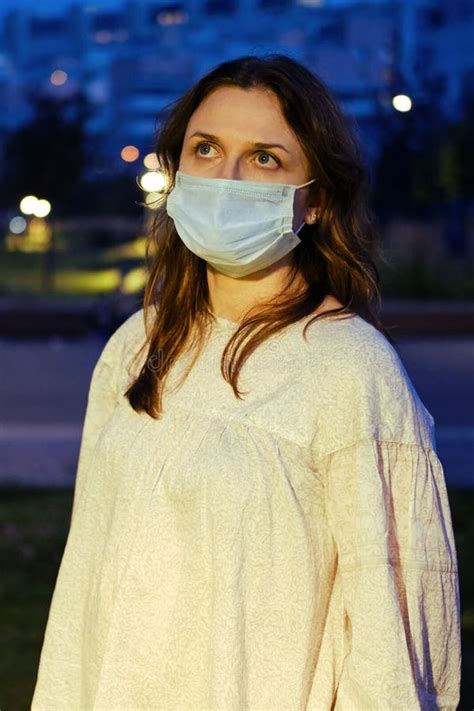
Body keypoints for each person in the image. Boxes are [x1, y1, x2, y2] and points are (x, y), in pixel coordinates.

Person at [31, 54, 461, 710]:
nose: (227, 178)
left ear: (315, 199)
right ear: (176, 169)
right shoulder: (137, 344)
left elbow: (393, 634)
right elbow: (85, 576)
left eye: (264, 158)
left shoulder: (351, 369)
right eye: (206, 149)